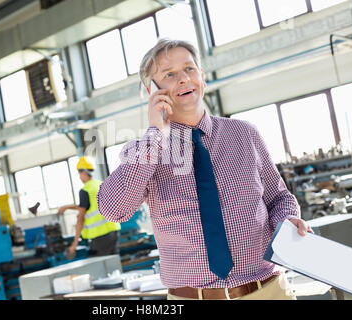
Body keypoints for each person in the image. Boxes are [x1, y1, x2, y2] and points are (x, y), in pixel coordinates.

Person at [97, 38, 313, 300]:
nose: (183, 79)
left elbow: (279, 198)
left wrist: (286, 221)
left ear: (202, 76)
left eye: (189, 69)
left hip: (267, 291)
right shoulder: (144, 152)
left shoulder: (244, 134)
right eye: (169, 74)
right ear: (152, 90)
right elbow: (113, 210)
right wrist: (156, 134)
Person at [57, 156, 121, 258]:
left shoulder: (85, 190)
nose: (79, 176)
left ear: (83, 172)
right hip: (114, 232)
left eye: (79, 173)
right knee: (113, 264)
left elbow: (81, 218)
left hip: (100, 236)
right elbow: (89, 206)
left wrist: (74, 244)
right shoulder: (101, 184)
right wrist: (67, 207)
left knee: (96, 267)